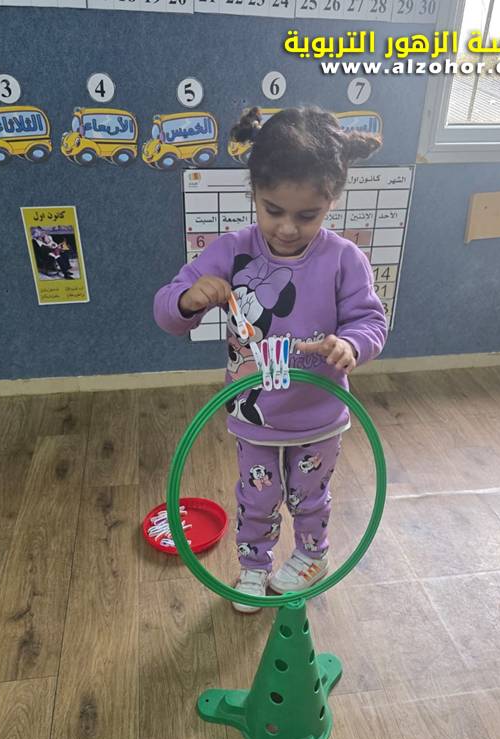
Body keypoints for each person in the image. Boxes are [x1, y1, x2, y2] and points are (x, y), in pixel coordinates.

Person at [154, 107, 387, 613]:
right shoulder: (231, 251)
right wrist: (190, 298)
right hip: (254, 415)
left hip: (318, 417)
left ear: (331, 201)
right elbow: (167, 310)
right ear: (254, 192)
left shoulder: (344, 259)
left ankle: (310, 556)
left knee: (309, 496)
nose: (286, 228)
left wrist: (352, 345)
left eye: (307, 216)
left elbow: (370, 321)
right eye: (273, 209)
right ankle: (254, 566)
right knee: (256, 497)